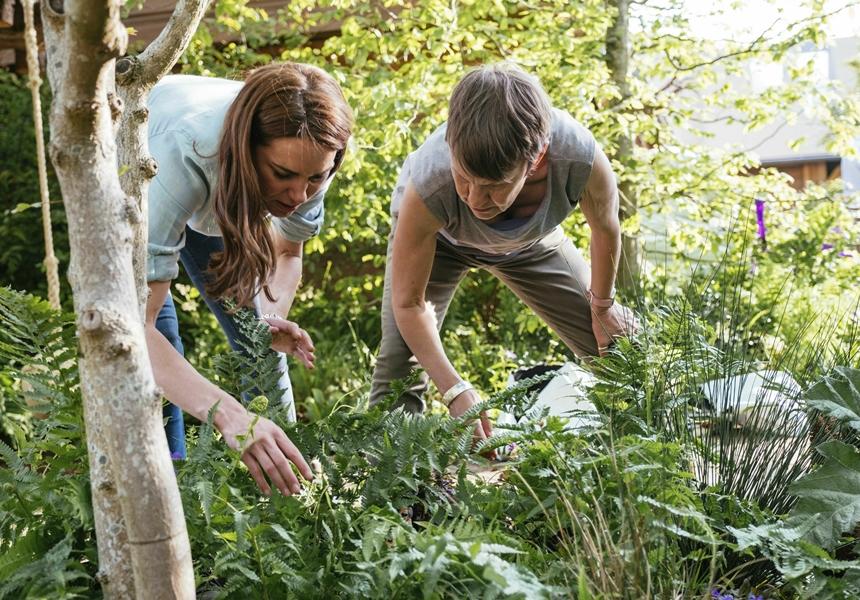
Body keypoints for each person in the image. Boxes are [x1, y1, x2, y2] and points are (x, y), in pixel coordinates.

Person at [369, 63, 637, 441]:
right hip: (442, 244)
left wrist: (603, 307)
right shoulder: (429, 184)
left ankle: (646, 459)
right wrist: (454, 390)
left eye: (494, 185)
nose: (475, 199)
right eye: (464, 178)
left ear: (537, 158)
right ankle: (398, 490)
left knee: (621, 350)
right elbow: (409, 304)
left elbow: (605, 228)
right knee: (398, 368)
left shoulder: (579, 159)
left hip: (531, 244)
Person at [145, 62, 353, 495]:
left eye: (315, 178)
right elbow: (134, 330)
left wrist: (267, 321)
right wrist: (229, 415)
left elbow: (287, 250)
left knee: (257, 339)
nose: (299, 197)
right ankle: (172, 484)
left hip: (227, 193)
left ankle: (294, 493)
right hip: (145, 170)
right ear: (246, 149)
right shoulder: (180, 158)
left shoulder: (311, 153)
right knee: (161, 335)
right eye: (284, 176)